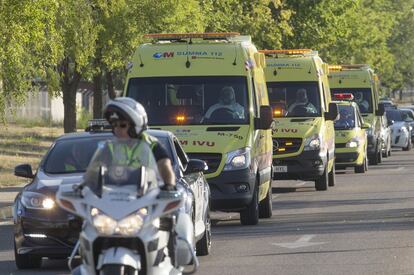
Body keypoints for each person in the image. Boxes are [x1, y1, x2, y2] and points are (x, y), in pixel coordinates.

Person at [103, 97, 176, 190]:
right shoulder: (110, 146)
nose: (117, 129)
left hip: (147, 195)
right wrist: (85, 186)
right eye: (114, 125)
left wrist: (169, 184)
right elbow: (97, 169)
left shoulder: (152, 144)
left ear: (135, 126)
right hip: (115, 195)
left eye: (122, 125)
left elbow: (164, 165)